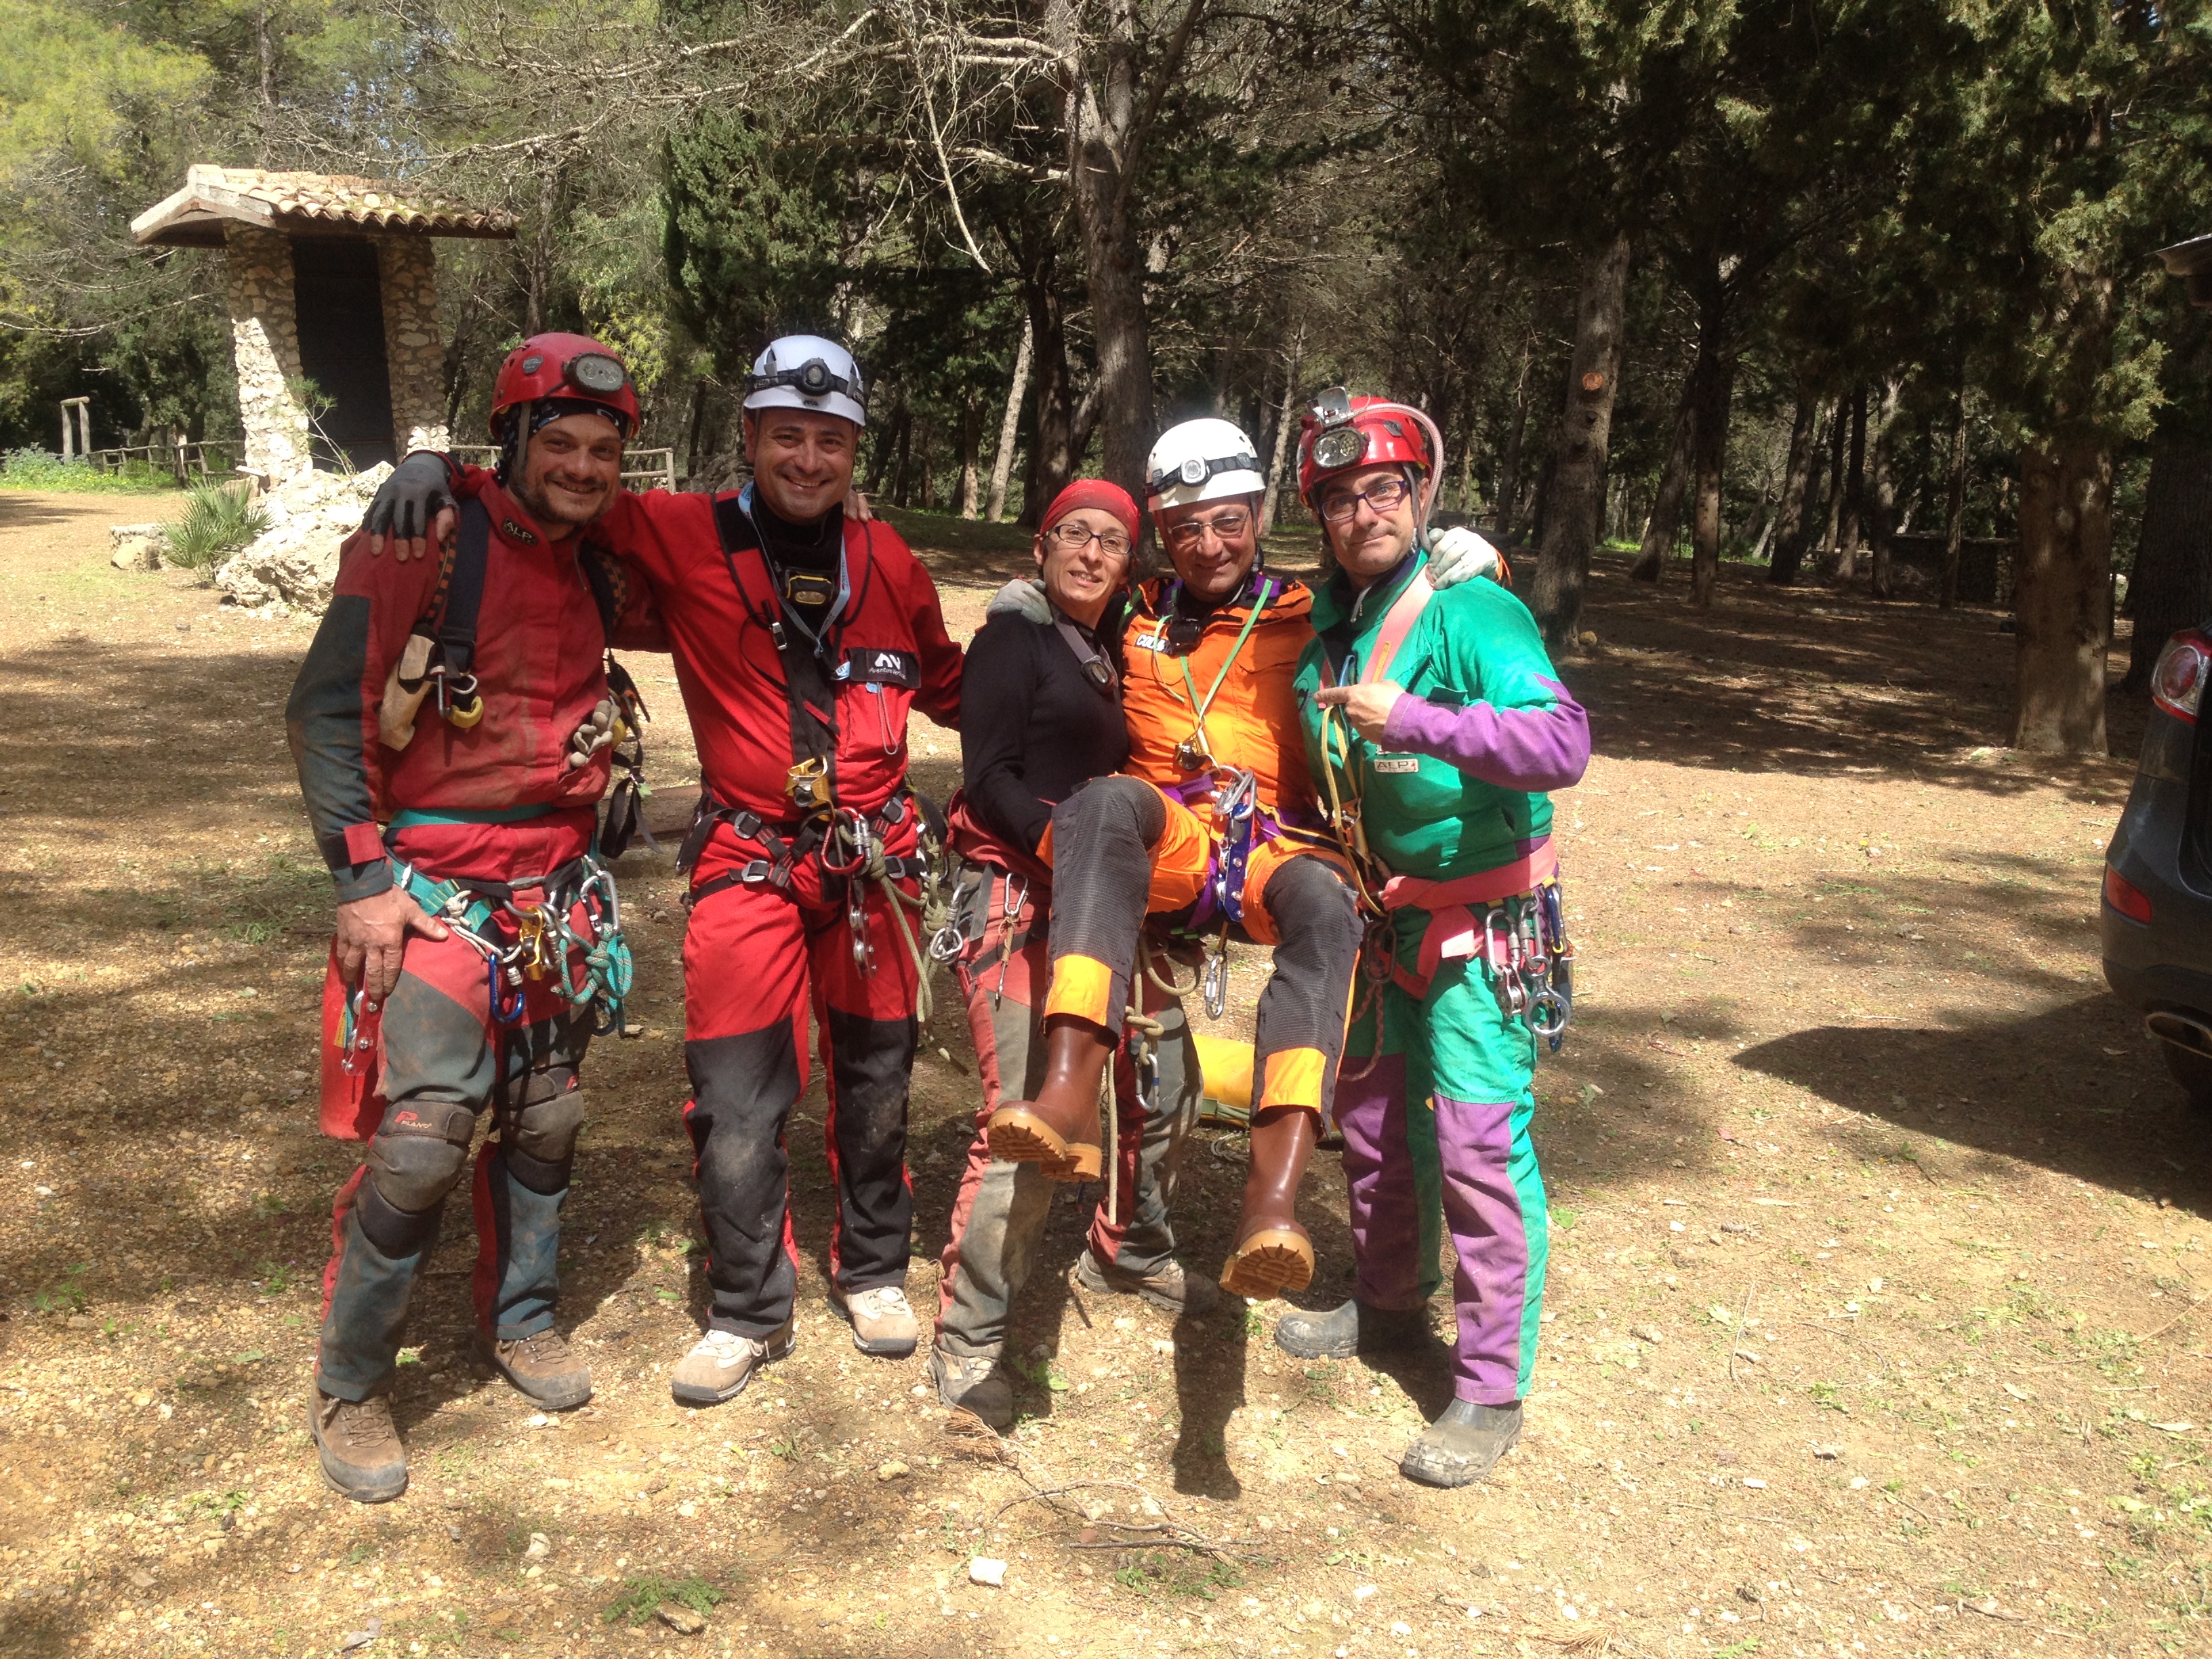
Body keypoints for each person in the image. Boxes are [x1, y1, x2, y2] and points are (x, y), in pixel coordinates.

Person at [361, 335, 964, 1405]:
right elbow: (551, 489)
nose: (809, 459)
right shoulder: (682, 528)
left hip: (872, 866)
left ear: (856, 450)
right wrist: (430, 469)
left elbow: (954, 685)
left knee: (876, 1078)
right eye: (788, 436)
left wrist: (1059, 654)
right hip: (750, 860)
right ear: (749, 440)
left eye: (831, 440)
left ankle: (872, 1268)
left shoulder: (894, 563)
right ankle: (745, 1305)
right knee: (735, 1095)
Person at [290, 332, 657, 1501]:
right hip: (436, 892)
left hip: (553, 895)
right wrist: (363, 884)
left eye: (605, 450)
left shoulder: (599, 559)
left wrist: (431, 455)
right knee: (423, 1141)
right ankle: (351, 1386)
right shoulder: (425, 539)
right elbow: (323, 710)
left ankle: (526, 1321)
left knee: (547, 1119)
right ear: (513, 442)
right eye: (560, 442)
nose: (585, 467)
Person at [983, 418, 1366, 1300]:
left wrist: (1464, 560)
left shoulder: (1314, 612)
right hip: (1174, 837)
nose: (1207, 544)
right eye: (1184, 526)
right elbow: (1072, 602)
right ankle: (1066, 1096)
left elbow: (1401, 598)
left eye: (1227, 520)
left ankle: (1273, 1204)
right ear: (1161, 531)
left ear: (1262, 514)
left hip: (1278, 845)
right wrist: (1025, 610)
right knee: (1104, 801)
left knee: (1326, 908)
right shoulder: (1141, 610)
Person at [1282, 389, 1589, 1488]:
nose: (1364, 513)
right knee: (1373, 1130)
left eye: (1385, 491)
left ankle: (1493, 1386)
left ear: (1420, 496)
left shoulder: (1471, 608)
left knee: (1474, 1145)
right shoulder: (1332, 620)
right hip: (1383, 920)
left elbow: (1561, 741)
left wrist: (1415, 722)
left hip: (1484, 925)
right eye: (1341, 498)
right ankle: (1388, 1306)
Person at [931, 479, 1216, 1429]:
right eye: (1075, 537)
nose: (1092, 554)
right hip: (1020, 888)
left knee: (1169, 1076)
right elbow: (990, 775)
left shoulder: (1107, 647)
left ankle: (1128, 1246)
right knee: (1024, 1112)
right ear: (1044, 548)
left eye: (1111, 542)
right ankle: (971, 1339)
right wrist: (1066, 844)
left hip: (1104, 892)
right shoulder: (1014, 637)